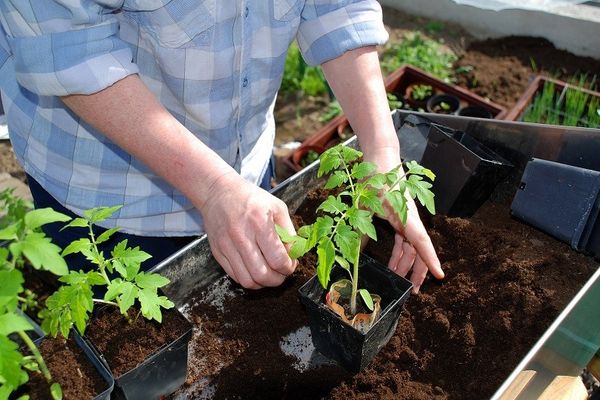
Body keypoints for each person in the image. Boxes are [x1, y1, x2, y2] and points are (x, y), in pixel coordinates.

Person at [0, 0, 443, 293]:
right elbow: (70, 49)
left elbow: (336, 5)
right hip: (108, 198)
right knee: (120, 346)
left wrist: (381, 157)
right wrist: (212, 189)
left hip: (244, 171)